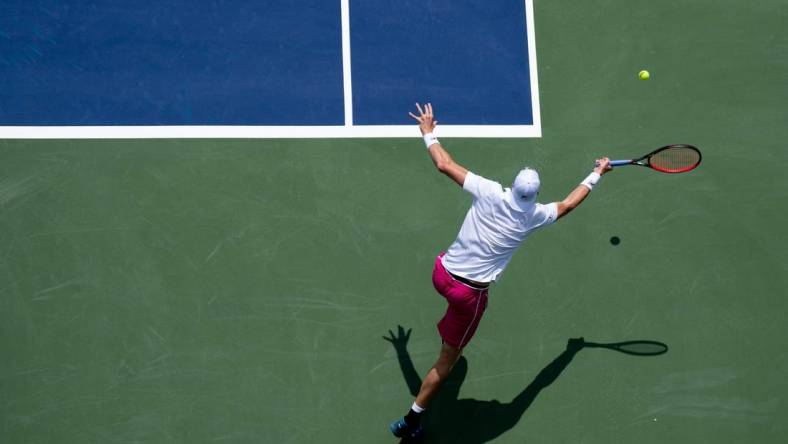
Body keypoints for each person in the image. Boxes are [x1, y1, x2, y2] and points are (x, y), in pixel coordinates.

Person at [389, 103, 612, 440]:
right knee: (448, 360)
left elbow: (443, 164)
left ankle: (447, 334)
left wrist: (428, 131)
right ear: (534, 195)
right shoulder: (534, 215)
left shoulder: (489, 191)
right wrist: (597, 174)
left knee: (452, 334)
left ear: (513, 186)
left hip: (442, 274)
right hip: (468, 296)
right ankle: (411, 420)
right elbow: (567, 204)